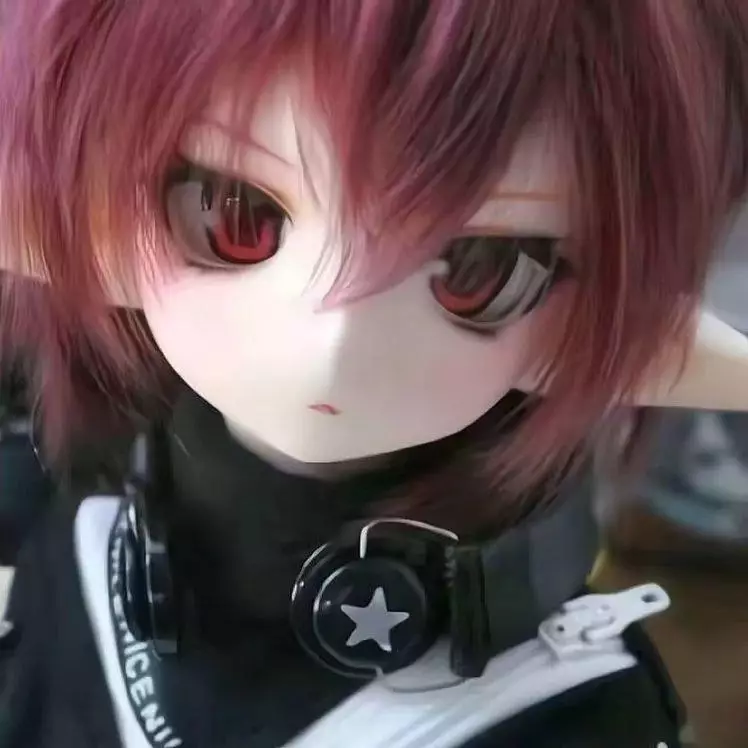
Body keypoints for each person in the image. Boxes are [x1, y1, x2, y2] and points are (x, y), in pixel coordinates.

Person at [0, 2, 747, 746]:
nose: (334, 342)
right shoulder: (71, 530)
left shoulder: (571, 718)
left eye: (482, 272)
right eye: (234, 218)